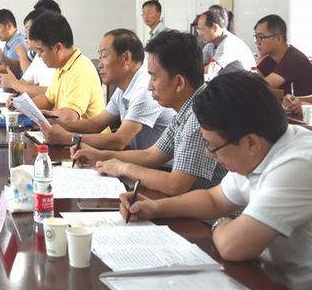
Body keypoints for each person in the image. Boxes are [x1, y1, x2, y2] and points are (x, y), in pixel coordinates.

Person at [121, 71, 312, 290]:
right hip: (269, 289)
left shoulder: (299, 164)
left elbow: (232, 246)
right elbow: (214, 199)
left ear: (250, 142)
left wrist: (220, 224)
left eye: (212, 146)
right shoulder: (259, 149)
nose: (208, 154)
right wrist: (156, 208)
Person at [71, 30, 227, 195]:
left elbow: (175, 185)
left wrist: (123, 168)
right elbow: (150, 156)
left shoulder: (198, 117)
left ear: (179, 83)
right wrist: (99, 155)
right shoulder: (184, 111)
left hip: (209, 210)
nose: (149, 86)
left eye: (154, 78)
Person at [41, 29, 174, 149]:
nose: (100, 65)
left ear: (126, 58)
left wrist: (67, 138)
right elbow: (96, 124)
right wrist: (57, 123)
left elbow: (119, 141)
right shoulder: (124, 87)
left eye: (104, 56)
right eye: (100, 58)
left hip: (160, 165)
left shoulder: (145, 89)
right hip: (141, 159)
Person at [23, 12, 105, 122]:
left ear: (57, 47)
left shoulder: (80, 70)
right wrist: (23, 107)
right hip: (66, 131)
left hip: (84, 133)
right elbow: (48, 99)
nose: (38, 55)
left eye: (41, 51)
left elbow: (69, 117)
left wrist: (45, 114)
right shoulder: (61, 67)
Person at [254, 14, 312, 96]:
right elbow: (253, 82)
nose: (257, 42)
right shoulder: (270, 58)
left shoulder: (294, 58)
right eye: (256, 37)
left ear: (278, 39)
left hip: (310, 104)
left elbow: (259, 87)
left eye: (261, 37)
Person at [0, 9, 56, 97]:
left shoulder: (51, 57)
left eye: (28, 32)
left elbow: (50, 93)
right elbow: (24, 82)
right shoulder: (38, 56)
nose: (26, 37)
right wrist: (15, 92)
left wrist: (15, 85)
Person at [197, 9, 256, 74]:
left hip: (244, 80)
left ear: (214, 28)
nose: (200, 34)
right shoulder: (211, 44)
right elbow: (198, 63)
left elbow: (210, 70)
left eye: (202, 29)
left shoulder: (228, 43)